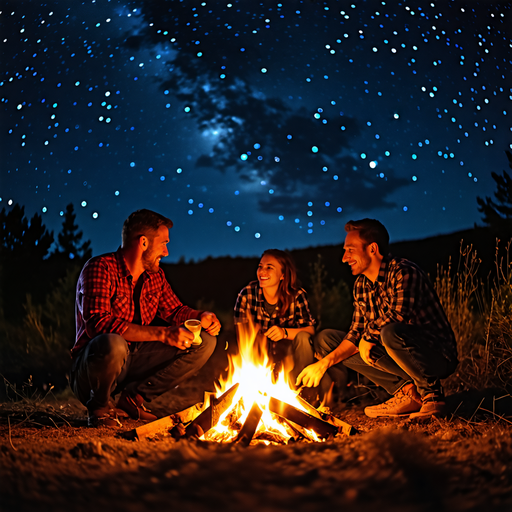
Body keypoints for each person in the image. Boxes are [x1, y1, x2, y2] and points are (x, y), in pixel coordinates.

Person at [70, 209, 220, 427]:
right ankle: (100, 406)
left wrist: (201, 316)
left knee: (205, 342)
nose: (167, 252)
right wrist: (162, 334)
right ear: (143, 243)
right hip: (92, 371)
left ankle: (134, 399)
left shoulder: (155, 276)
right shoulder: (99, 268)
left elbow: (174, 311)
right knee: (113, 341)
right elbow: (98, 325)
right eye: (163, 243)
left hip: (133, 359)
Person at [297, 219, 458, 419]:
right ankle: (408, 392)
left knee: (389, 331)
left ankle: (432, 396)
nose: (344, 258)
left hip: (436, 356)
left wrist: (369, 337)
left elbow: (399, 315)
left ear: (372, 249)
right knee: (326, 341)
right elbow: (355, 333)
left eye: (350, 250)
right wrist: (323, 363)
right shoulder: (361, 285)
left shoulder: (403, 272)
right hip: (396, 353)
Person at [233, 249, 319, 392]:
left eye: (269, 268)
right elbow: (242, 337)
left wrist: (284, 332)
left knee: (303, 338)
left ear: (283, 275)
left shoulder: (297, 296)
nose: (262, 272)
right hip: (260, 358)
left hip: (289, 360)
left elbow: (310, 330)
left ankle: (303, 391)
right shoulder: (247, 294)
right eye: (260, 266)